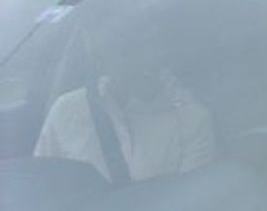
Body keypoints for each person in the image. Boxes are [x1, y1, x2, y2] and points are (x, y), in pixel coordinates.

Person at [35, 15, 215, 183]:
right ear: (100, 58)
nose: (146, 59)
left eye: (150, 45)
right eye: (128, 49)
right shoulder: (67, 110)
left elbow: (191, 205)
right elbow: (45, 189)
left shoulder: (192, 121)